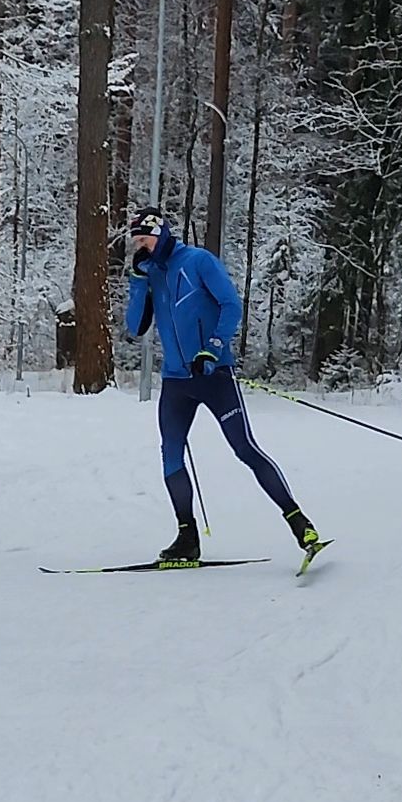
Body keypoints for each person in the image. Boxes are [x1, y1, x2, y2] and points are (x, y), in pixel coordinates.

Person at [122, 207, 319, 564]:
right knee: (170, 454)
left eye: (145, 238)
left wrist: (212, 347)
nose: (142, 246)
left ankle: (299, 523)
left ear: (161, 233)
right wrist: (137, 282)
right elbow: (135, 327)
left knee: (244, 448)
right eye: (137, 241)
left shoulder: (199, 261)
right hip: (176, 382)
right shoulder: (150, 273)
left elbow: (231, 305)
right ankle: (187, 537)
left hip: (213, 375)